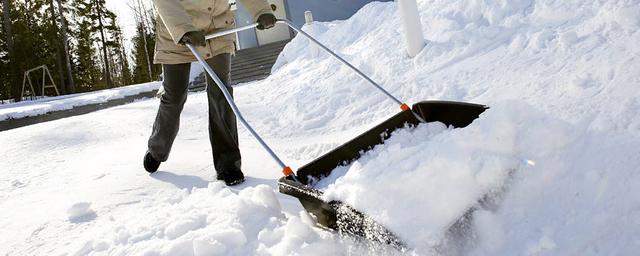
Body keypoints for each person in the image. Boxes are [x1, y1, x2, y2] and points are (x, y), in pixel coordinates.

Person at [143, 0, 276, 186]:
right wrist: (184, 29)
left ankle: (228, 165)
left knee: (221, 92)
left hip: (217, 29)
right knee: (174, 96)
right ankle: (157, 149)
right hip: (177, 30)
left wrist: (261, 11)